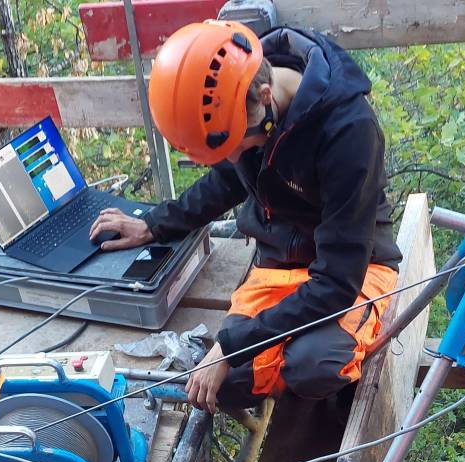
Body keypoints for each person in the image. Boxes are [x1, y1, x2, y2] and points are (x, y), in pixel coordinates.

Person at [89, 21, 402, 413]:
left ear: (267, 97)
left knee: (313, 365)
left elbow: (337, 281)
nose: (236, 159)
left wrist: (231, 345)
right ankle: (295, 352)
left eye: (238, 147)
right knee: (215, 386)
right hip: (279, 267)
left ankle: (328, 376)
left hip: (353, 270)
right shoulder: (240, 98)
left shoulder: (350, 132)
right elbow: (225, 181)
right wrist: (153, 224)